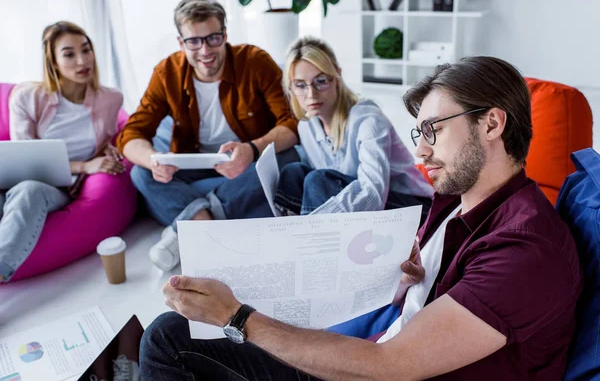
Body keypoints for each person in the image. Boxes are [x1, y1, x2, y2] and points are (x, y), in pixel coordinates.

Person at [139, 56, 583, 380]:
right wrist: (411, 279)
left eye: (434, 130)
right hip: (379, 341)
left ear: (491, 124)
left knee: (170, 340)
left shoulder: (527, 248)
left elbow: (391, 366)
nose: (420, 150)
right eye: (419, 133)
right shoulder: (455, 201)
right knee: (180, 328)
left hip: (379, 366)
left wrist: (237, 317)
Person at [116, 0, 298, 272]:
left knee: (288, 158)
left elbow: (292, 123)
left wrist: (252, 148)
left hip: (244, 162)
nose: (204, 51)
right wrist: (153, 158)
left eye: (213, 38)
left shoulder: (255, 61)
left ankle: (186, 227)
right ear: (181, 43)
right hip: (193, 162)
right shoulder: (167, 73)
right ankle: (206, 220)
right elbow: (131, 134)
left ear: (225, 34)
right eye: (194, 41)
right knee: (140, 172)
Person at [1, 21, 124, 283]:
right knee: (21, 189)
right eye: (69, 54)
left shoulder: (110, 99)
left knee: (29, 190)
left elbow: (111, 137)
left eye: (86, 50)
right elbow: (25, 159)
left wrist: (108, 152)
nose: (82, 60)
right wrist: (85, 165)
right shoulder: (26, 97)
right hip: (17, 181)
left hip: (55, 189)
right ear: (53, 62)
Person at [273, 36, 432, 221]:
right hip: (361, 207)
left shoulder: (369, 122)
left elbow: (373, 195)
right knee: (293, 172)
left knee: (317, 179)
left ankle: (308, 241)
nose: (311, 94)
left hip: (413, 208)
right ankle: (289, 234)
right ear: (291, 88)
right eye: (300, 85)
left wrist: (312, 222)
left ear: (337, 76)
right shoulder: (306, 127)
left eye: (321, 80)